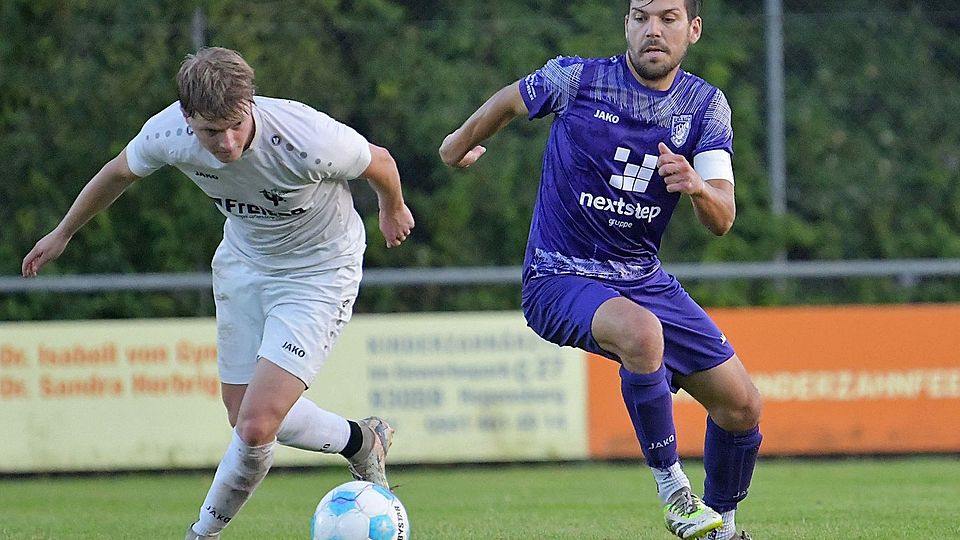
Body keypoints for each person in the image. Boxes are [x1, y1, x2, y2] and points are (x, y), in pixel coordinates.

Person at [21, 47, 415, 540]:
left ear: (250, 104)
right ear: (188, 120)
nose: (227, 143)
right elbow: (118, 173)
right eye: (210, 132)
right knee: (244, 418)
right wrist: (63, 233)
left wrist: (391, 207)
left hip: (319, 272)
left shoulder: (306, 137)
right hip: (243, 265)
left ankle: (202, 534)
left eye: (235, 125)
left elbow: (379, 161)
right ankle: (361, 441)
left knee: (255, 427)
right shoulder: (167, 134)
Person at [439, 1, 761, 539]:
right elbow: (509, 101)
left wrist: (699, 187)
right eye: (640, 16)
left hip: (642, 277)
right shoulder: (577, 78)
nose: (652, 29)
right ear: (627, 26)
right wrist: (457, 145)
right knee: (641, 333)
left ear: (694, 29)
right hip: (558, 274)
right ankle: (674, 492)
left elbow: (723, 217)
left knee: (742, 407)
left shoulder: (706, 107)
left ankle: (722, 528)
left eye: (668, 17)